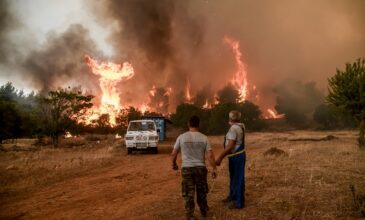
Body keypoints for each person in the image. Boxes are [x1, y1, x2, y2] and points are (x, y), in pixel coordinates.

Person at [171, 115, 217, 220]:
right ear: (198, 125)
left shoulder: (181, 137)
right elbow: (209, 155)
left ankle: (190, 215)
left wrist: (174, 164)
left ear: (188, 124)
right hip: (200, 168)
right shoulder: (204, 137)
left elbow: (174, 153)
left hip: (186, 168)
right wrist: (214, 168)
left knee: (188, 193)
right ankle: (204, 210)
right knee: (202, 191)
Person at [215, 110, 246, 209]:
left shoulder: (233, 128)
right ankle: (232, 196)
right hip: (238, 155)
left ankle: (238, 202)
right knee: (234, 177)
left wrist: (220, 157)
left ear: (230, 118)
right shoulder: (241, 125)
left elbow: (230, 145)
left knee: (238, 178)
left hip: (236, 156)